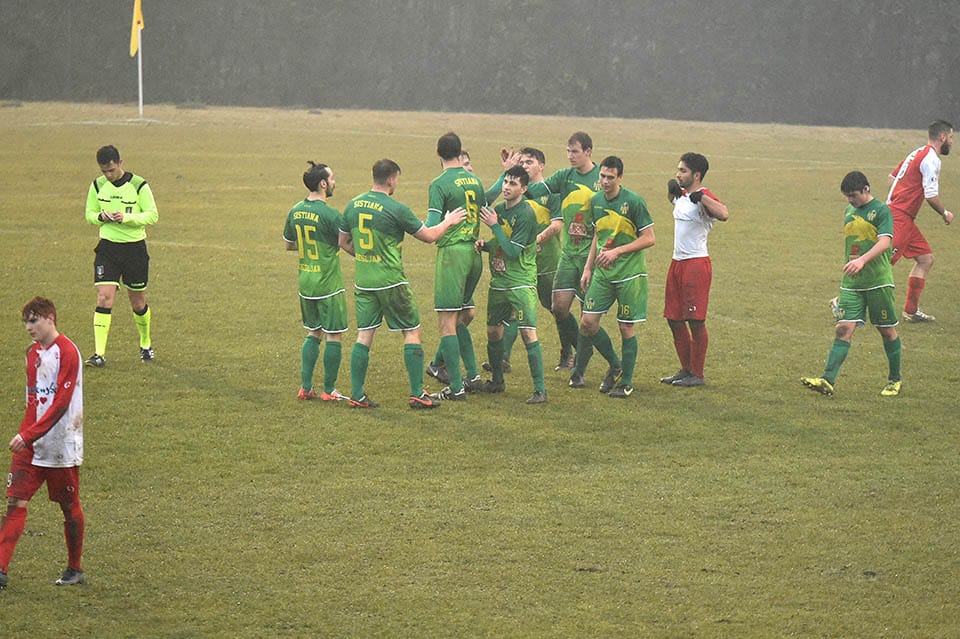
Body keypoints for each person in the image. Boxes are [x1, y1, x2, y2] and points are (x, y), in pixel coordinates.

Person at [339, 159, 466, 409]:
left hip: (364, 282)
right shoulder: (396, 209)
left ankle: (357, 394)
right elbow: (428, 236)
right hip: (391, 282)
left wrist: (366, 257)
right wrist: (448, 221)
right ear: (391, 179)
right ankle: (417, 393)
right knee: (411, 331)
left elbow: (343, 242)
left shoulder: (352, 205)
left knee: (364, 335)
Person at [0, 297, 86, 590]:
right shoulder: (32, 353)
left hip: (60, 446)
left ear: (50, 319)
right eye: (26, 322)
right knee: (15, 502)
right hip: (30, 446)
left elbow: (61, 403)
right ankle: (0, 569)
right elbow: (34, 400)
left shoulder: (68, 352)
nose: (29, 327)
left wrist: (28, 435)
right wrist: (26, 435)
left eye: (34, 320)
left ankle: (75, 568)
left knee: (68, 505)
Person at [803, 171, 902, 397]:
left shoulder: (881, 211)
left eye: (853, 195)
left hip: (878, 282)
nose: (850, 200)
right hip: (852, 282)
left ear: (866, 189)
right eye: (847, 196)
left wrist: (862, 260)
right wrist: (854, 262)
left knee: (886, 331)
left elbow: (885, 242)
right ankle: (827, 380)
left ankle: (894, 380)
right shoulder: (849, 211)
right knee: (843, 329)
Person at [570, 156, 655, 398]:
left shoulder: (634, 201)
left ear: (620, 178)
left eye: (610, 177)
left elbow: (649, 238)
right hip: (603, 274)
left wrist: (618, 251)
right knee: (587, 322)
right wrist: (588, 268)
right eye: (602, 176)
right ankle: (616, 365)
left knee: (626, 327)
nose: (605, 181)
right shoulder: (596, 201)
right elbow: (598, 235)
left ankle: (626, 383)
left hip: (629, 275)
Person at [470, 166, 547, 404]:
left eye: (513, 183)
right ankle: (497, 381)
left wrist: (493, 225)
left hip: (521, 282)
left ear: (523, 189)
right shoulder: (501, 210)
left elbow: (513, 251)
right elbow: (502, 242)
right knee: (493, 332)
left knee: (527, 332)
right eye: (506, 182)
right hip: (499, 281)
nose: (506, 187)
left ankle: (540, 390)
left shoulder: (526, 215)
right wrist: (487, 245)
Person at [423, 133, 487, 400]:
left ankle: (457, 388)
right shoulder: (475, 180)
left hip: (453, 255)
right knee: (462, 316)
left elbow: (430, 227)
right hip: (474, 254)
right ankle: (473, 376)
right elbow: (485, 208)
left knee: (447, 322)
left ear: (438, 153)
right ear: (460, 153)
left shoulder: (439, 184)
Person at [84, 144, 159, 367]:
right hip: (108, 249)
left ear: (120, 164)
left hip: (134, 250)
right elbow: (89, 214)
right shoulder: (97, 185)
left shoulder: (139, 185)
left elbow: (152, 215)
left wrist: (126, 218)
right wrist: (101, 217)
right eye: (104, 171)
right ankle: (99, 354)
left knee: (138, 302)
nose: (108, 175)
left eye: (112, 170)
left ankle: (145, 344)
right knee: (104, 297)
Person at [661, 152, 730, 387]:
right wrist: (672, 192)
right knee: (674, 318)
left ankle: (697, 374)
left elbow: (724, 214)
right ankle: (686, 368)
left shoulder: (703, 197)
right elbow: (677, 203)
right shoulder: (682, 196)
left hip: (696, 265)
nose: (678, 174)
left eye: (683, 171)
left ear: (696, 175)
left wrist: (702, 198)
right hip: (677, 263)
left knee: (695, 320)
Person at [282, 161, 348, 402]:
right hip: (328, 284)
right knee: (334, 335)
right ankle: (329, 390)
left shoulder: (295, 211)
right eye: (332, 178)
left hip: (306, 283)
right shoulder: (331, 215)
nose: (334, 182)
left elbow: (289, 244)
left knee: (314, 332)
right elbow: (347, 243)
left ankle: (306, 387)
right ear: (323, 184)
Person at [885, 119, 954, 322]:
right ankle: (842, 301)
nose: (952, 142)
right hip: (899, 217)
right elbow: (931, 196)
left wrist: (902, 195)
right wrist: (945, 213)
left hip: (903, 216)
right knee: (880, 265)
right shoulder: (931, 159)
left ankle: (911, 310)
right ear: (942, 137)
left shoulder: (917, 152)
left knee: (925, 259)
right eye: (951, 137)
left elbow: (892, 177)